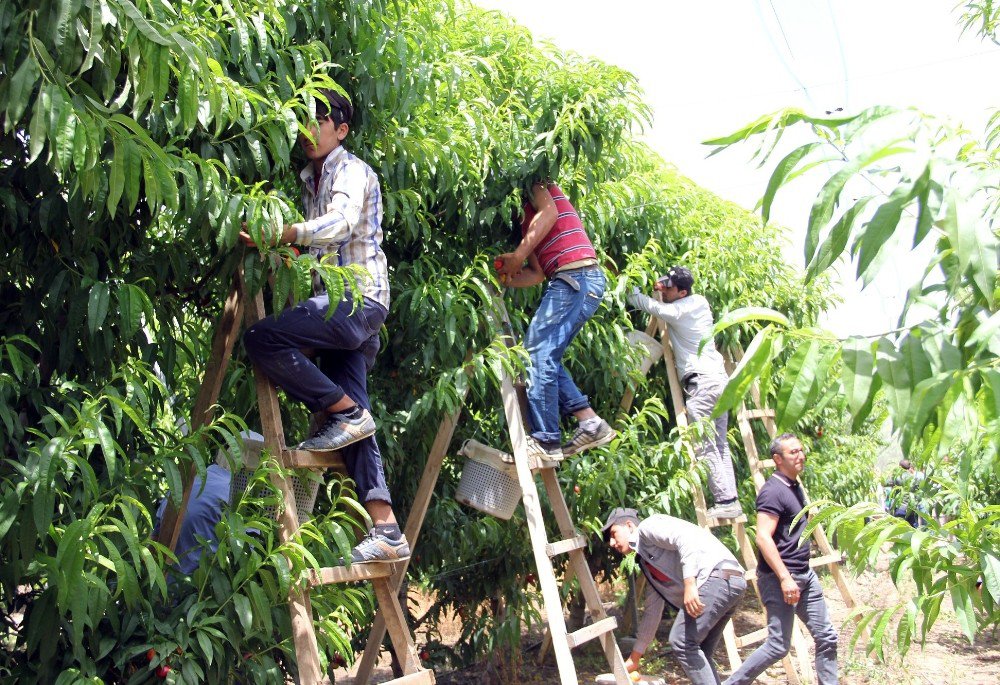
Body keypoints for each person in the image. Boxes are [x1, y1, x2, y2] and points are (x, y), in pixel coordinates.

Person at [242, 89, 408, 564]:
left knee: (262, 338)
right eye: (304, 119)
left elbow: (339, 223)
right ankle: (387, 529)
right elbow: (314, 250)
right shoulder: (309, 181)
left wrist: (289, 232)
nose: (310, 128)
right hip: (338, 305)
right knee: (355, 422)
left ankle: (346, 412)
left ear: (341, 129)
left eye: (321, 119)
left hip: (357, 298)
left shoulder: (350, 171)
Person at [494, 181, 614, 463]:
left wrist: (518, 256)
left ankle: (546, 440)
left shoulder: (534, 183)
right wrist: (503, 276)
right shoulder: (527, 227)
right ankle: (590, 423)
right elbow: (536, 274)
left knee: (535, 353)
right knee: (546, 356)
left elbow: (550, 213)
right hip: (579, 280)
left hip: (576, 277)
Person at [723, 433, 838, 685]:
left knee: (827, 637)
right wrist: (785, 578)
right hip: (780, 579)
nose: (800, 456)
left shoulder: (795, 487)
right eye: (793, 452)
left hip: (804, 575)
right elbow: (763, 537)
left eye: (801, 450)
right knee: (778, 645)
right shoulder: (772, 491)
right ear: (777, 459)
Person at [627, 267, 741, 520]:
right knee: (719, 444)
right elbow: (664, 296)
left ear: (683, 291)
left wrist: (631, 293)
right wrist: (656, 285)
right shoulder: (695, 302)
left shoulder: (685, 307)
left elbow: (662, 310)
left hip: (703, 383)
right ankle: (730, 499)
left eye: (669, 288)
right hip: (717, 381)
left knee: (706, 444)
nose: (663, 291)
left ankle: (724, 500)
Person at [603, 507, 747, 685]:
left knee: (681, 641)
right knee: (699, 649)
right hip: (728, 582)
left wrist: (690, 583)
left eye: (613, 533)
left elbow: (685, 539)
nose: (611, 543)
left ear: (629, 525)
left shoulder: (648, 527)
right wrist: (635, 658)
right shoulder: (648, 565)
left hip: (718, 576)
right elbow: (651, 614)